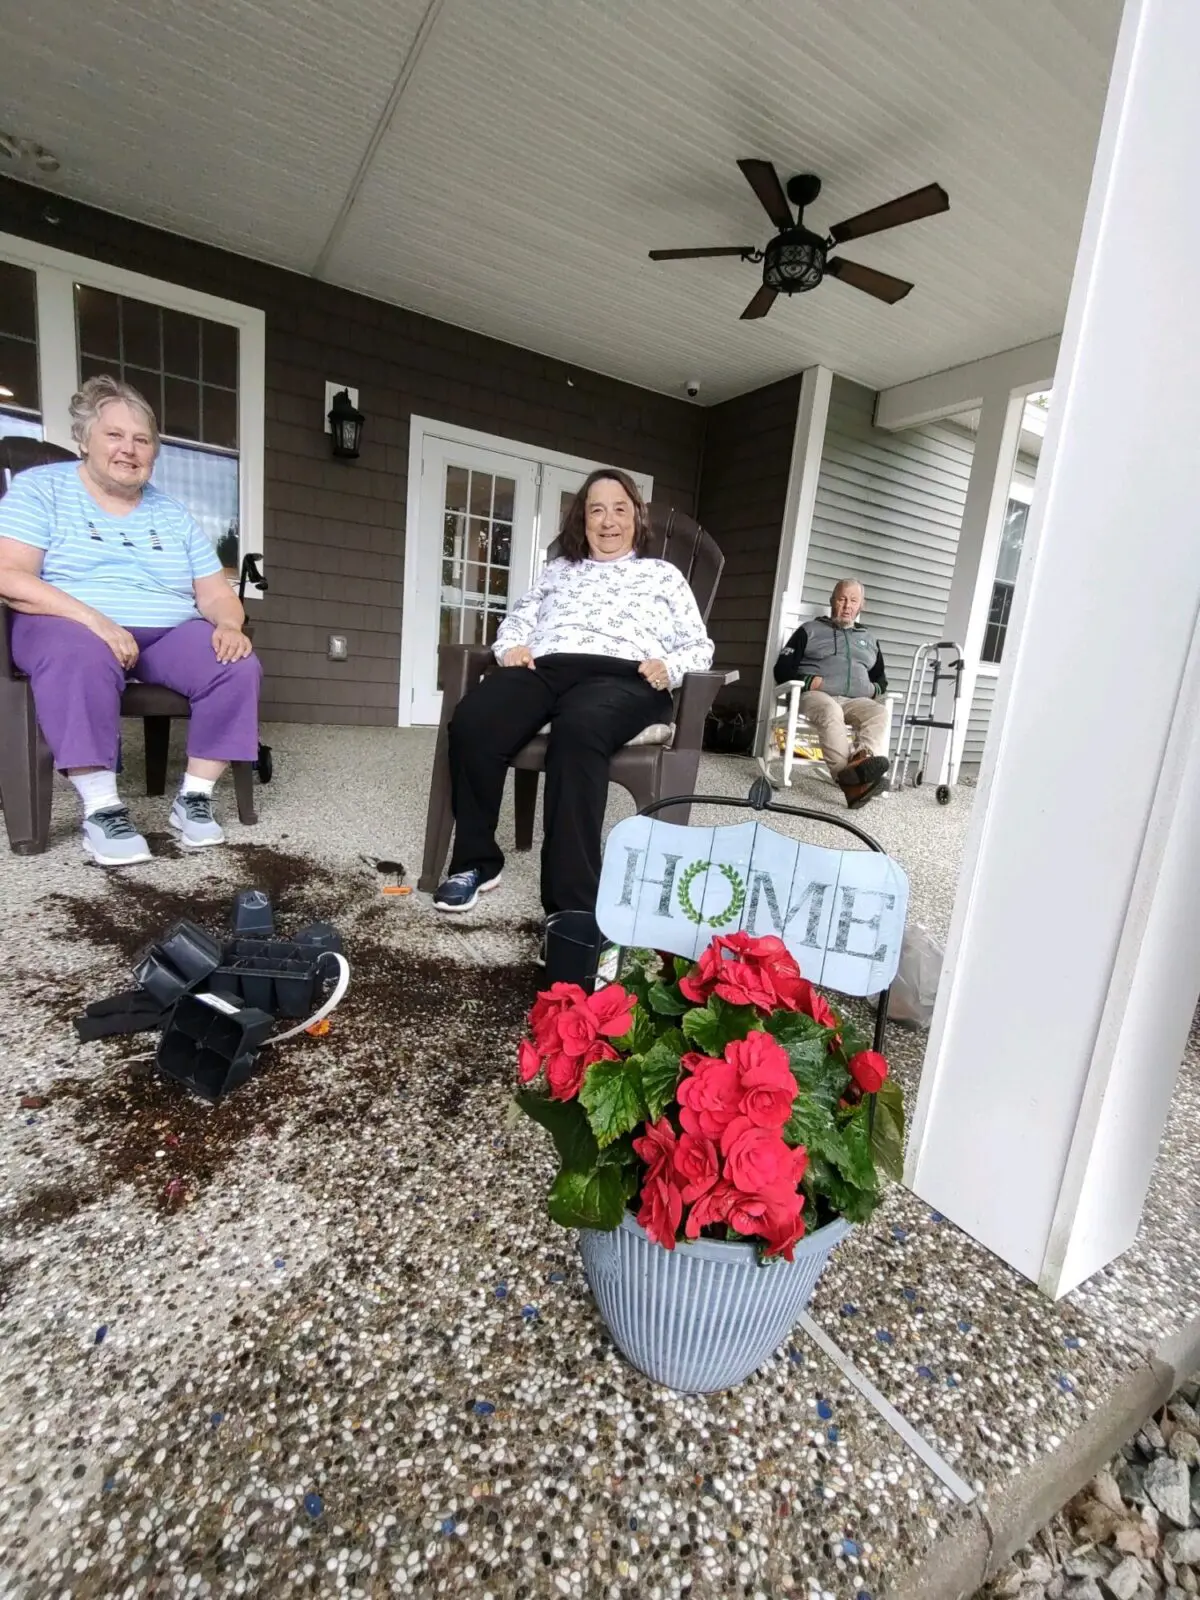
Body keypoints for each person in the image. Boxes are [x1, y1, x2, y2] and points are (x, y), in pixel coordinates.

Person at [0, 374, 261, 866]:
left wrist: (229, 624)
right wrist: (95, 621)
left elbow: (214, 593)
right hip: (65, 620)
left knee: (235, 664)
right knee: (78, 653)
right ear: (84, 440)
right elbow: (9, 576)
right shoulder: (41, 490)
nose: (129, 449)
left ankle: (195, 799)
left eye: (142, 439)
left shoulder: (172, 513)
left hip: (163, 630)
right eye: (114, 435)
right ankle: (102, 809)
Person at [434, 468, 713, 915]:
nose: (608, 521)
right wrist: (510, 648)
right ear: (582, 521)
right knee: (474, 721)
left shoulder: (663, 575)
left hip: (626, 677)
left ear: (636, 518)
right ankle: (477, 862)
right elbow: (518, 620)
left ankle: (571, 909)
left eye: (619, 509)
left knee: (579, 732)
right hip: (545, 669)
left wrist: (671, 666)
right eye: (596, 510)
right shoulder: (559, 571)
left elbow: (700, 647)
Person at [773, 578, 889, 809]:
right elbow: (782, 669)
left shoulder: (869, 639)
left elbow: (881, 679)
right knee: (830, 710)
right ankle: (846, 778)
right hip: (817, 697)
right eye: (842, 599)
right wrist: (808, 681)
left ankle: (861, 761)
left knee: (879, 713)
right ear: (832, 601)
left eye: (853, 601)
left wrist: (874, 689)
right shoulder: (809, 630)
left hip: (856, 700)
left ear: (861, 606)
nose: (847, 606)